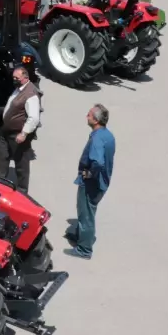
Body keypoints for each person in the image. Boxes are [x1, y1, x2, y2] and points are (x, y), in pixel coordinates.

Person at [65, 104, 115, 259]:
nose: (87, 115)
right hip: (102, 181)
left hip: (92, 183)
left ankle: (84, 249)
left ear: (96, 120)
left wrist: (89, 173)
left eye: (90, 114)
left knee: (86, 214)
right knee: (87, 211)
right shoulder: (108, 135)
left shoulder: (97, 139)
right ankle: (82, 236)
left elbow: (98, 162)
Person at [0, 66, 41, 193]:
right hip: (6, 132)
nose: (14, 80)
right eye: (13, 77)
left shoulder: (31, 94)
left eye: (16, 78)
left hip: (18, 134)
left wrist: (24, 133)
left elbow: (33, 118)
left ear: (25, 78)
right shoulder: (19, 89)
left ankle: (22, 192)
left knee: (21, 164)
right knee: (1, 158)